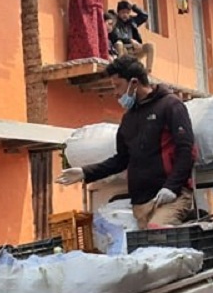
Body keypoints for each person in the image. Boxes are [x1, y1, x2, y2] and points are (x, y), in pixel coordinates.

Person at [56, 56, 196, 229]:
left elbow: (187, 150)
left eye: (117, 86)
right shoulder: (129, 119)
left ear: (134, 82)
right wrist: (85, 172)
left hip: (171, 196)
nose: (115, 93)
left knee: (158, 233)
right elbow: (121, 159)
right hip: (141, 203)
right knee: (147, 248)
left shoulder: (170, 105)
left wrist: (171, 187)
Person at [110, 0, 155, 72]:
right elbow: (115, 37)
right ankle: (122, 68)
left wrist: (133, 6)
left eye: (127, 12)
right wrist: (130, 40)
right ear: (118, 12)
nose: (125, 15)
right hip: (123, 50)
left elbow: (145, 16)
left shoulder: (132, 21)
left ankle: (148, 71)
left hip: (134, 50)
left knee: (150, 45)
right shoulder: (115, 21)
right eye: (123, 12)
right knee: (119, 44)